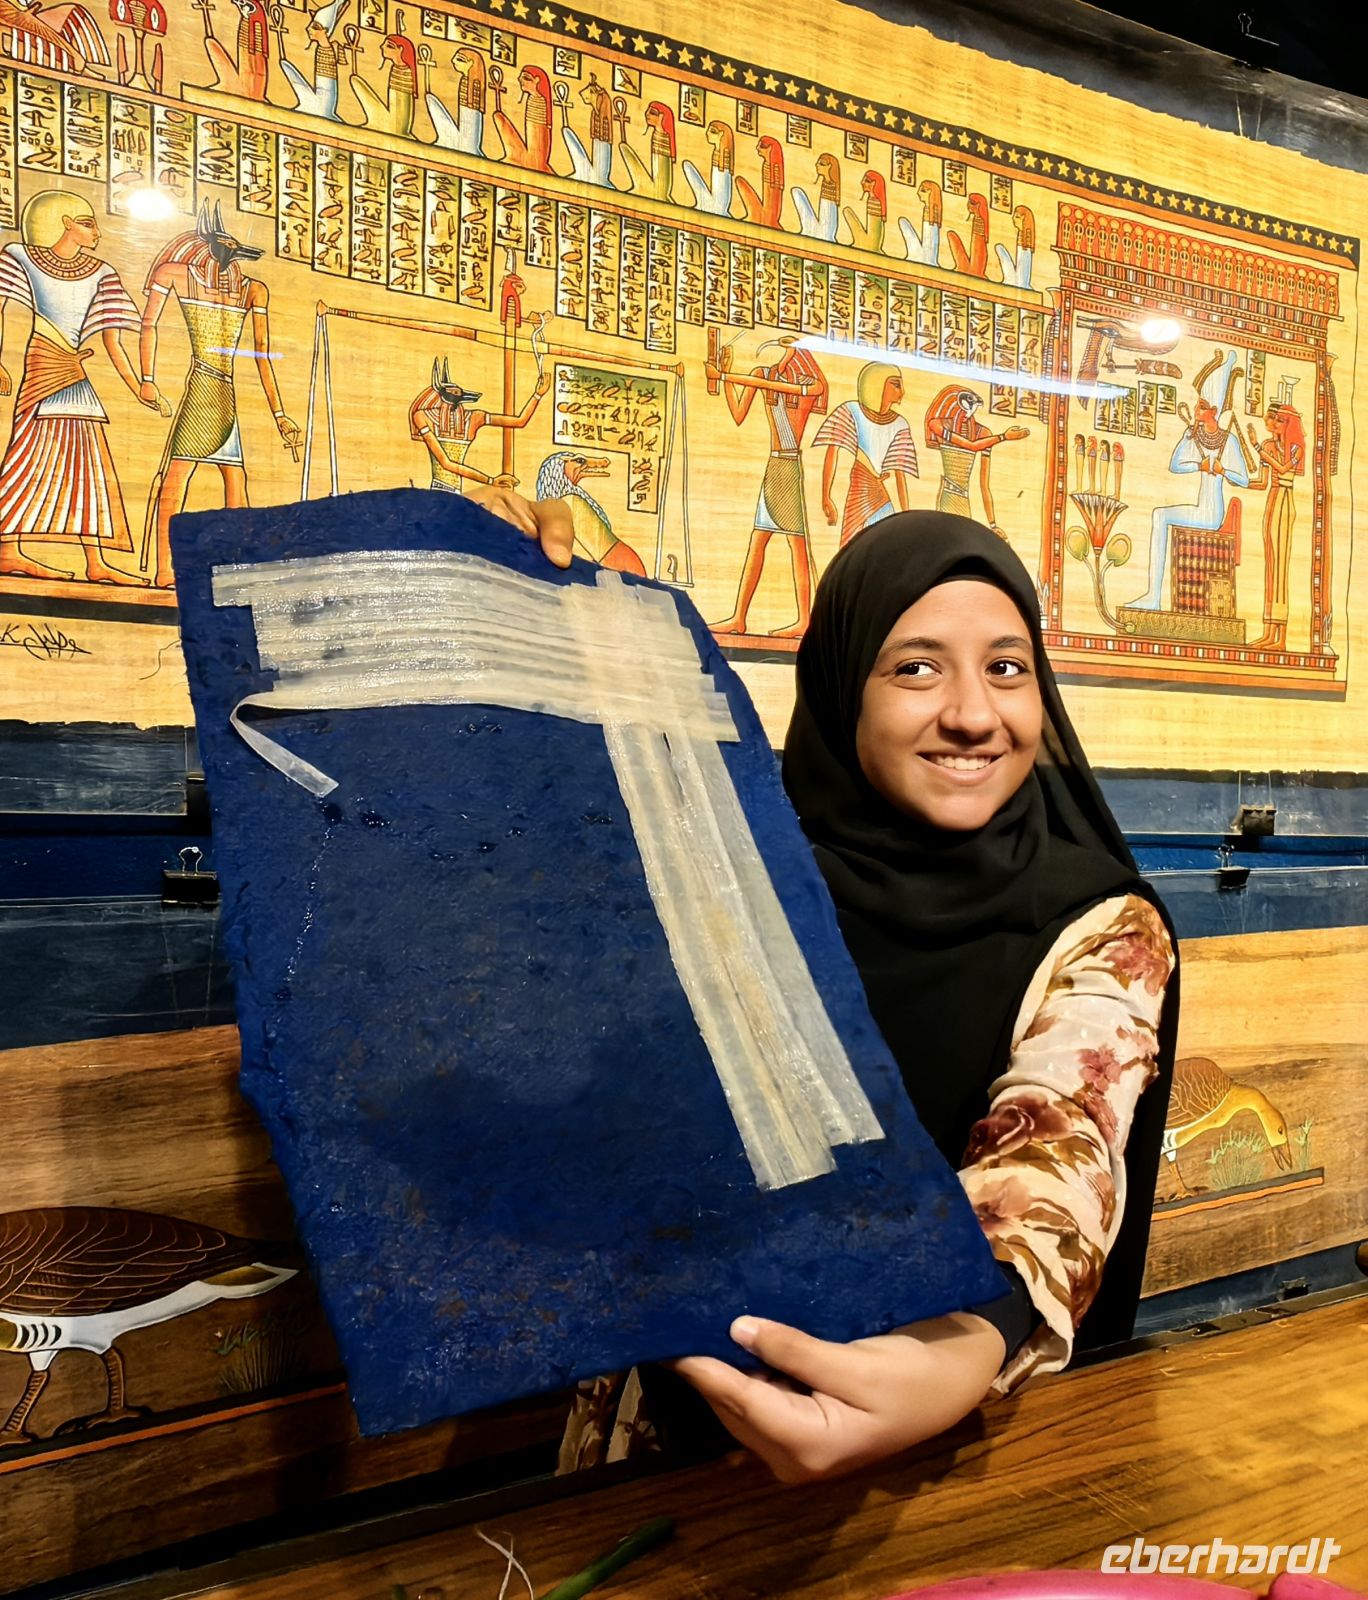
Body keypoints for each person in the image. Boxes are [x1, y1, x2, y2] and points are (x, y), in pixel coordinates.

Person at [468, 487, 1179, 1484]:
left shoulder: (1098, 922)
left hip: (950, 1442)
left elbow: (1062, 1142)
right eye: (916, 667)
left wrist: (964, 1343)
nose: (974, 715)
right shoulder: (734, 881)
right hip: (678, 1435)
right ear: (845, 688)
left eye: (1006, 668)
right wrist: (490, 617)